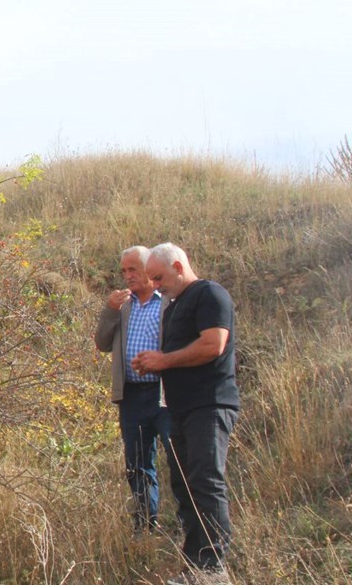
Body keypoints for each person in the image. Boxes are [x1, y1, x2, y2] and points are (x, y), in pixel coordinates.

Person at [133, 243, 239, 584]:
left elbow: (213, 345)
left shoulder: (210, 294)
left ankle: (213, 569)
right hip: (179, 409)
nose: (156, 284)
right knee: (184, 486)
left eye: (159, 277)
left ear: (179, 266)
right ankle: (195, 566)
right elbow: (178, 355)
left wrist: (164, 360)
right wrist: (153, 362)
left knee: (206, 482)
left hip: (209, 404)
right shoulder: (173, 308)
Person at [94, 245, 171, 534]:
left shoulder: (168, 302)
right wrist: (109, 311)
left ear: (150, 269)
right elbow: (101, 343)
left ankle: (193, 525)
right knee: (137, 464)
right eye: (124, 271)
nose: (127, 276)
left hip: (166, 395)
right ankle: (145, 527)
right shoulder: (122, 306)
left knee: (179, 458)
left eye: (133, 270)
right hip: (132, 397)